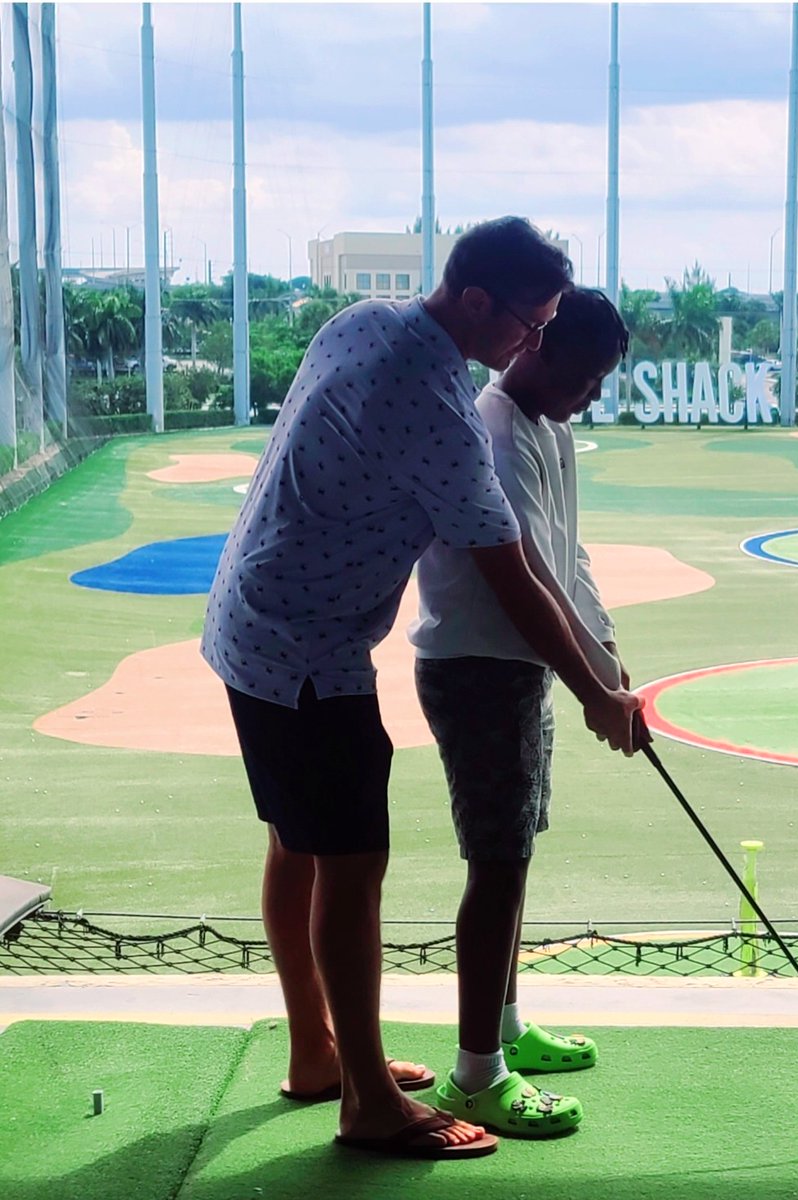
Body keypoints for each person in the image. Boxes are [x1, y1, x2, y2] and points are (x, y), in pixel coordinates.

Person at [200, 219, 642, 1161]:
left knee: (300, 844)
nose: (534, 342)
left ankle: (320, 1052)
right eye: (531, 323)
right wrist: (599, 694)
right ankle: (366, 1101)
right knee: (352, 867)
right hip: (308, 650)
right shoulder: (441, 409)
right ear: (476, 301)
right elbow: (511, 575)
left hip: (256, 618)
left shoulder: (366, 320)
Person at [410, 287, 631, 1138]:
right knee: (494, 866)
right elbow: (527, 575)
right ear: (534, 349)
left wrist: (607, 663)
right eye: (583, 376)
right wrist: (592, 690)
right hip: (477, 668)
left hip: (520, 669)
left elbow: (570, 557)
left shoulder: (551, 427)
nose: (591, 395)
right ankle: (474, 1077)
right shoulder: (497, 428)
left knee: (514, 854)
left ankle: (503, 1031)